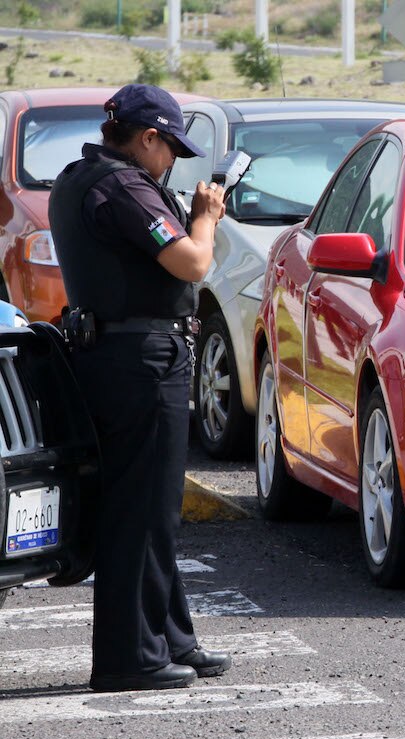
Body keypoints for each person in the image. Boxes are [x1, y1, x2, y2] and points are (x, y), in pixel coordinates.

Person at [49, 84, 232, 691]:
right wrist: (204, 218)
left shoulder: (79, 176)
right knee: (141, 510)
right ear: (147, 137)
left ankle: (169, 637)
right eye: (170, 147)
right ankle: (130, 657)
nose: (174, 160)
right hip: (139, 360)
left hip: (113, 353)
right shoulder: (123, 186)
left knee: (151, 506)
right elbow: (190, 264)